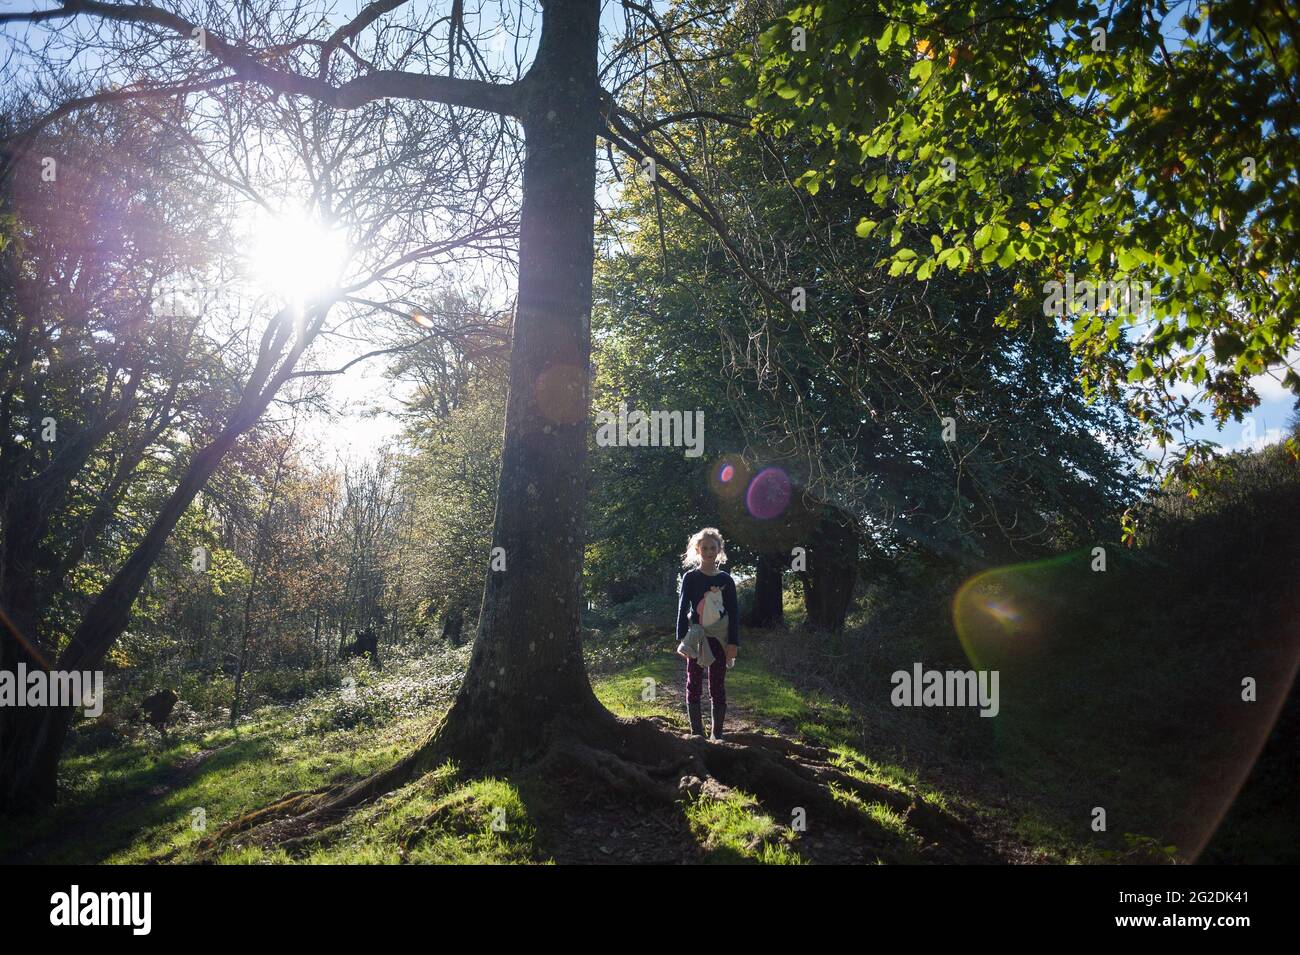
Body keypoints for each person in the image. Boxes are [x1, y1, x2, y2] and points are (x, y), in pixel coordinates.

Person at [675, 527, 738, 740]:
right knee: (693, 681)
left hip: (719, 639)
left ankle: (716, 735)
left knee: (717, 683)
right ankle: (696, 733)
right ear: (697, 549)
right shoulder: (690, 578)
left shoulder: (726, 580)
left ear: (719, 549)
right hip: (697, 637)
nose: (709, 551)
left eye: (713, 548)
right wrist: (682, 639)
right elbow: (683, 607)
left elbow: (734, 613)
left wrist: (733, 643)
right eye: (705, 548)